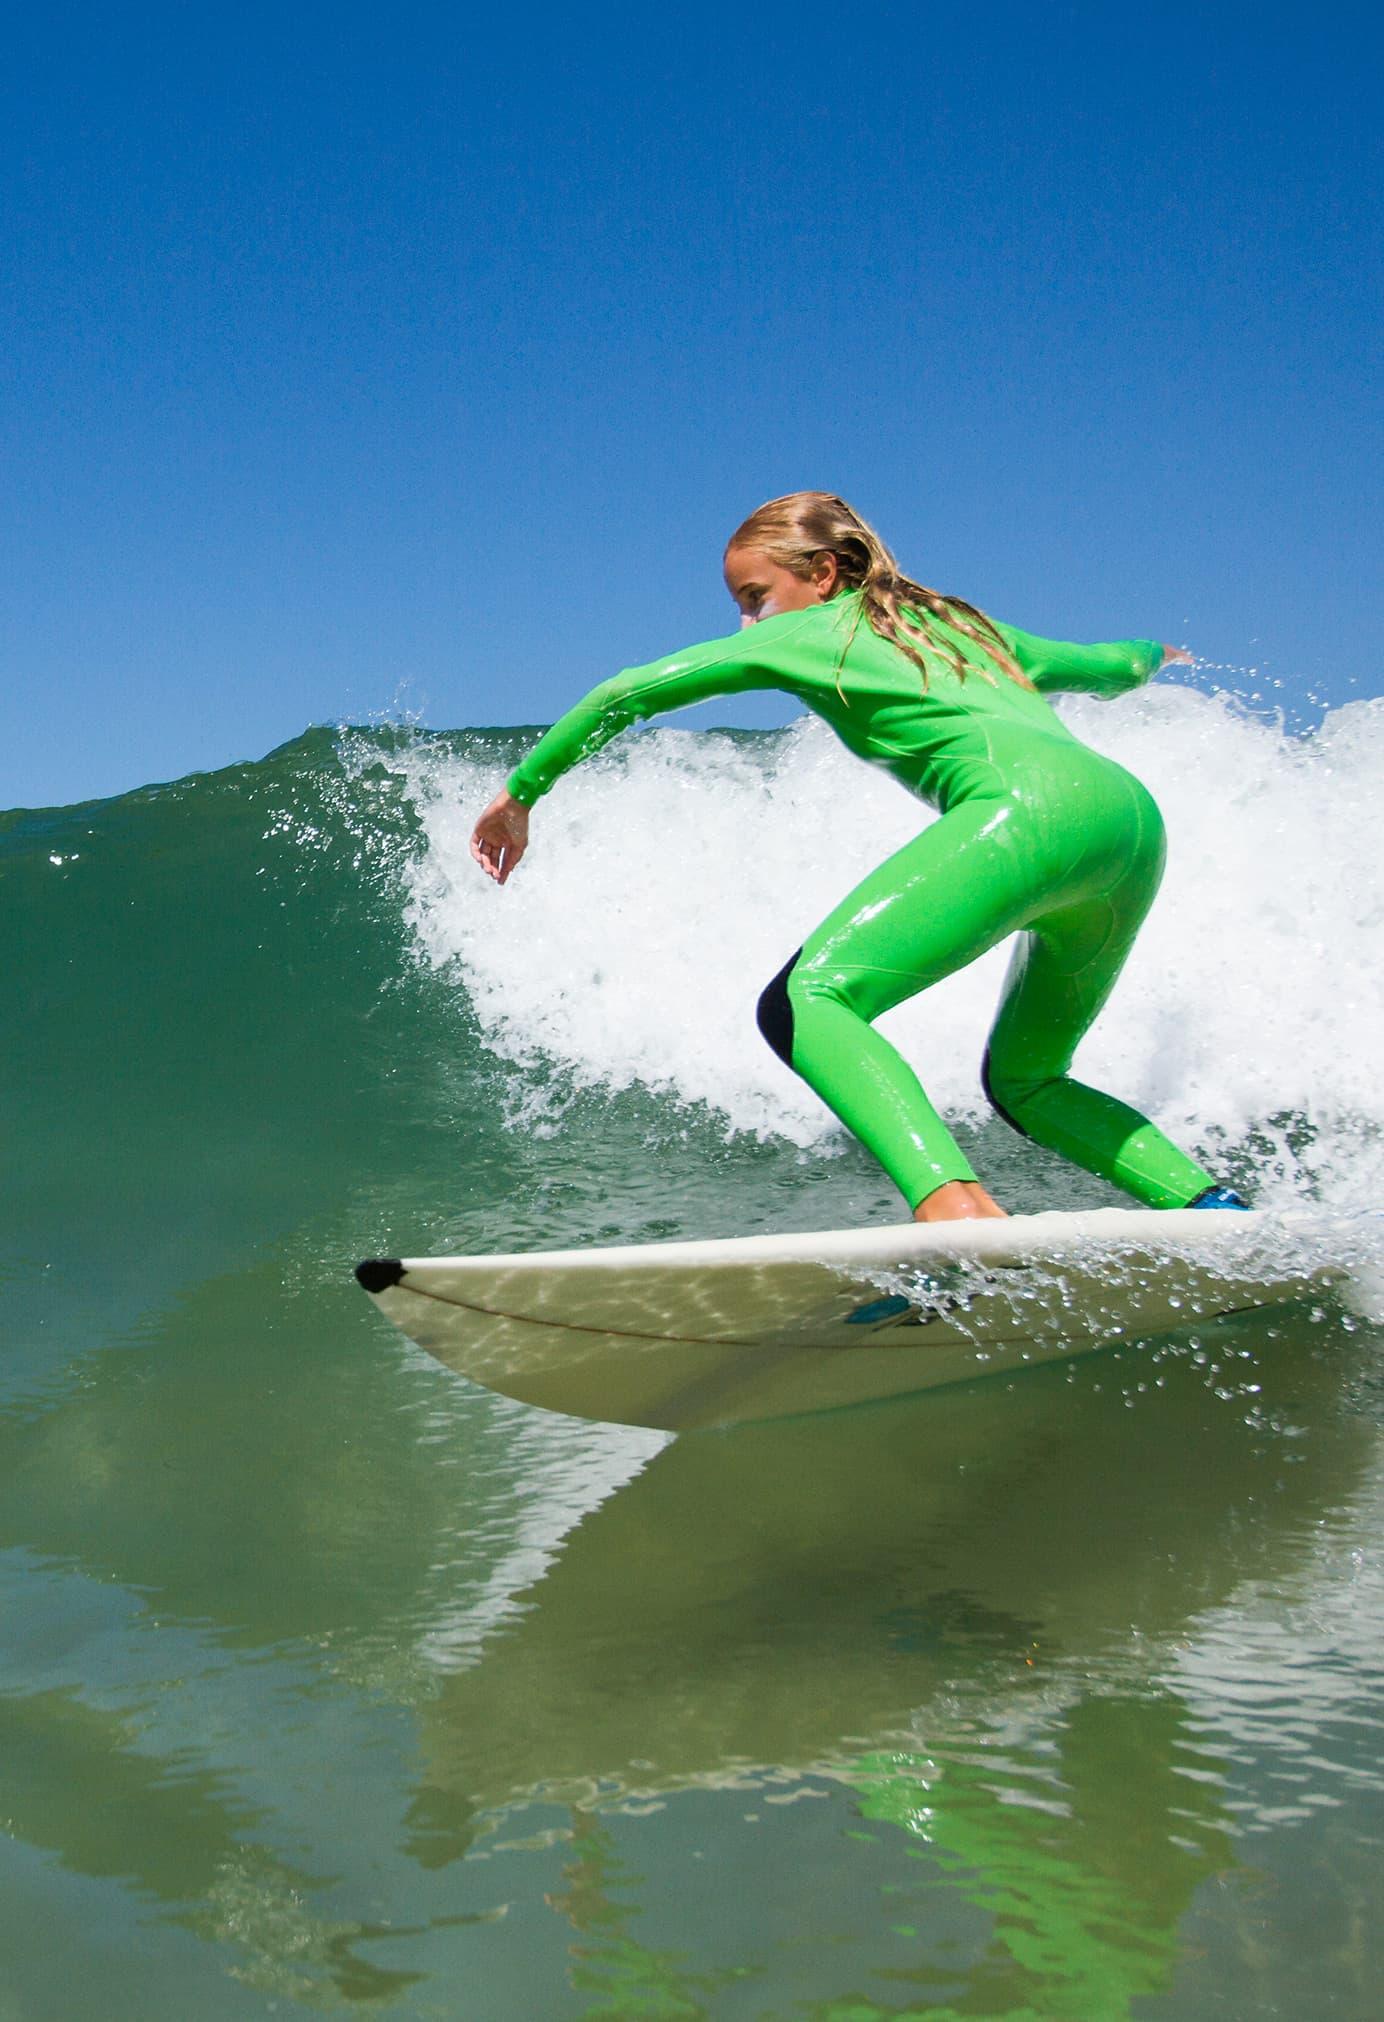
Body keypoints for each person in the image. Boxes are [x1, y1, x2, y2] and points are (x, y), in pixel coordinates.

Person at [470, 492, 1247, 1223]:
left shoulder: (812, 630)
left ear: (823, 574)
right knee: (1028, 1078)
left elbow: (624, 692)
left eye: (755, 597)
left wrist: (519, 795)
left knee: (806, 1000)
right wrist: (1159, 653)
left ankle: (957, 1215)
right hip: (1130, 828)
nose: (747, 623)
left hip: (1029, 816)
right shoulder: (963, 627)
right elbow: (1110, 666)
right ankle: (1211, 1211)